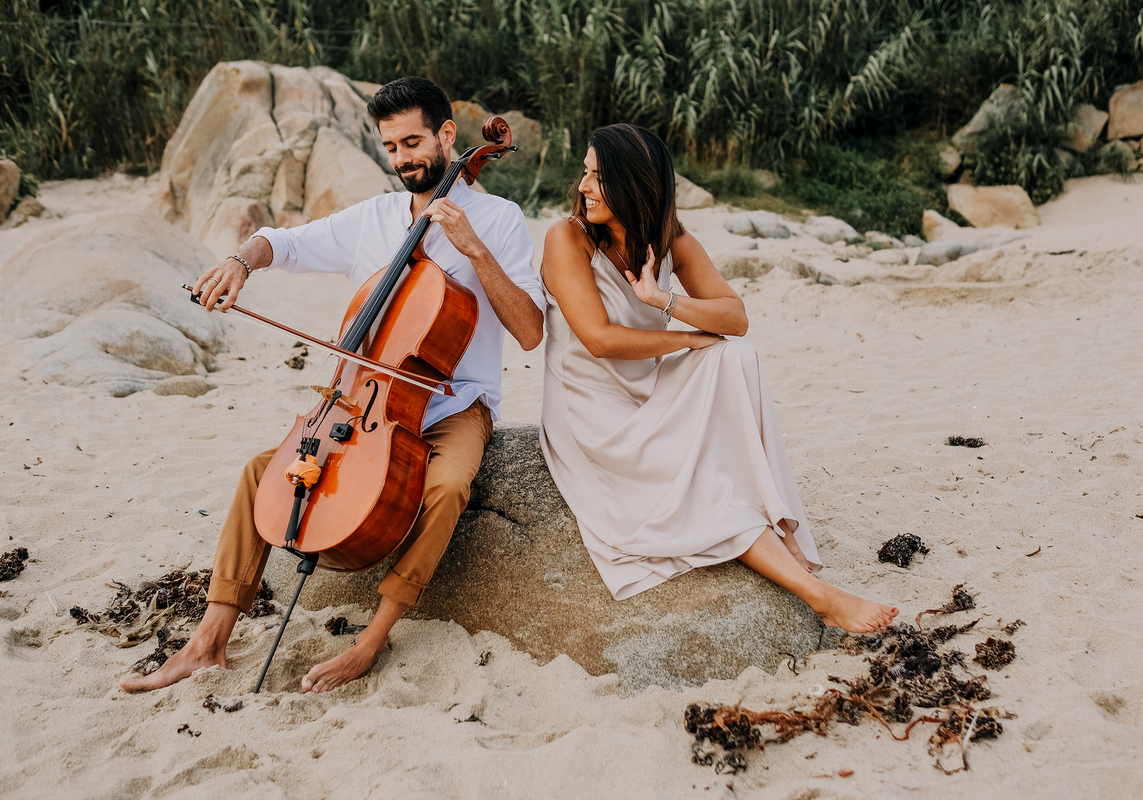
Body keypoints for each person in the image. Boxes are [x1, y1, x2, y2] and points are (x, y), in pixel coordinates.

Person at [120, 77, 544, 693]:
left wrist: (475, 251)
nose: (403, 159)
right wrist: (240, 262)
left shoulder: (500, 221)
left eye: (414, 142)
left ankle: (373, 639)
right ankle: (206, 643)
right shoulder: (374, 217)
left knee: (448, 486)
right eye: (392, 146)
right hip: (365, 400)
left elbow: (530, 331)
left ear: (447, 135)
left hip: (455, 402)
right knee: (260, 472)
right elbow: (282, 242)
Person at [539, 123, 897, 633]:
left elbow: (736, 318)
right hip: (591, 407)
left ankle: (777, 522)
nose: (583, 187)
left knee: (736, 357)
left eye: (597, 176)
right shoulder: (567, 238)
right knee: (709, 482)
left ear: (634, 183)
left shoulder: (671, 241)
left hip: (647, 387)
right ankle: (817, 594)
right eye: (585, 173)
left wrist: (662, 300)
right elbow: (600, 339)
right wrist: (685, 338)